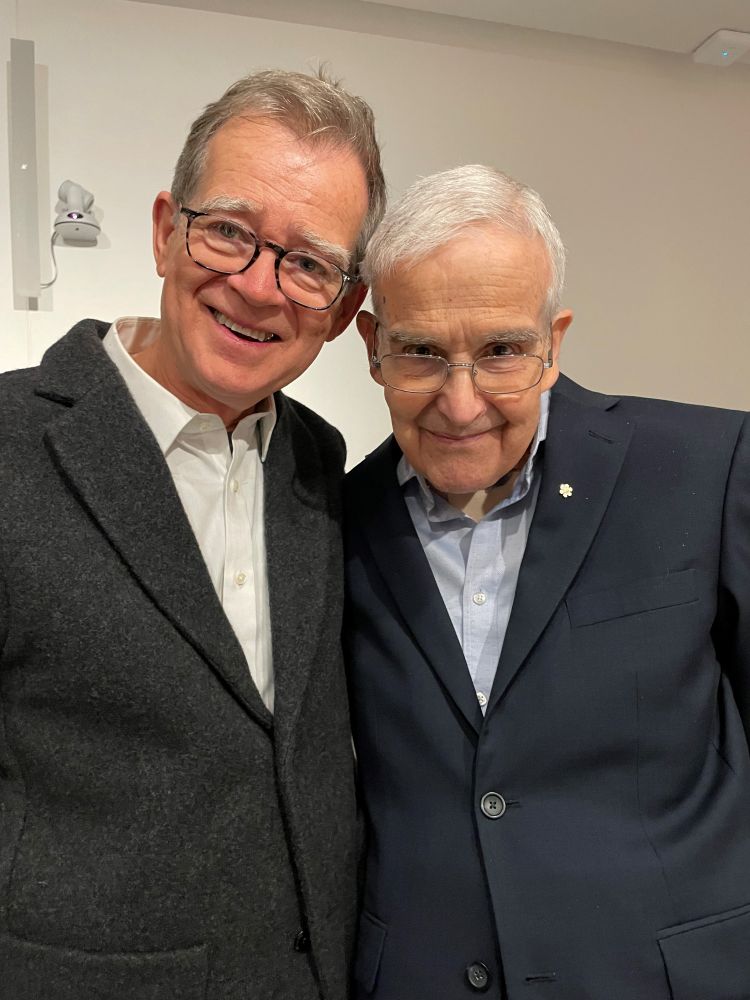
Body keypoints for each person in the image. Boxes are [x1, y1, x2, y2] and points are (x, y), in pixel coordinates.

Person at [0, 69, 384, 1000]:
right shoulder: (12, 446)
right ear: (166, 231)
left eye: (309, 263)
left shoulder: (319, 462)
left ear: (342, 310)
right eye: (229, 232)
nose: (258, 287)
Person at [344, 164, 750, 1000]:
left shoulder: (705, 469)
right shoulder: (333, 521)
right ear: (372, 346)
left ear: (554, 344)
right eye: (420, 352)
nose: (461, 405)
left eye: (501, 351)